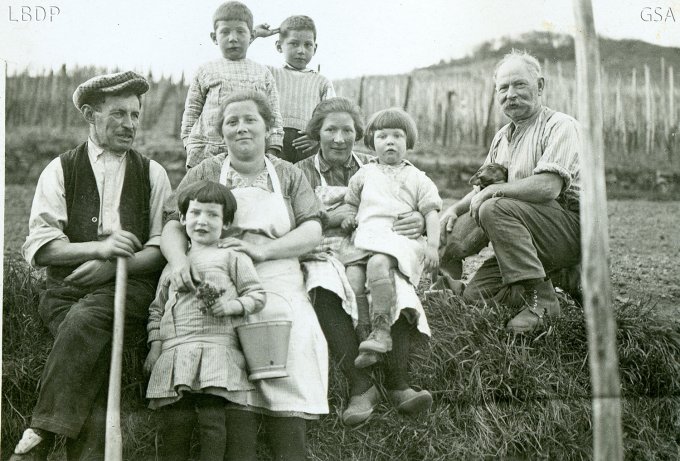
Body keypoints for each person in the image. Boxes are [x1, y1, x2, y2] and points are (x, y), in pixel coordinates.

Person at [10, 71, 172, 461]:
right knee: (92, 356)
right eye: (118, 114)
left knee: (87, 322)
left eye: (135, 115)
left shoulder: (152, 172)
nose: (130, 124)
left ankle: (40, 433)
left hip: (129, 290)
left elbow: (160, 248)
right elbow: (43, 249)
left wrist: (117, 267)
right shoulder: (60, 168)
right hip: (64, 290)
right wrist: (98, 252)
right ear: (89, 114)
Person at [162, 90, 327, 461]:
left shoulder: (288, 174)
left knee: (291, 333)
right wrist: (178, 263)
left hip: (277, 273)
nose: (241, 128)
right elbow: (172, 224)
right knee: (226, 344)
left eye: (250, 120)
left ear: (269, 129)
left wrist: (265, 249)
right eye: (231, 122)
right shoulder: (204, 171)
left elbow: (313, 228)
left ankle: (291, 449)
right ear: (221, 132)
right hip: (216, 275)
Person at [296, 98, 432, 426]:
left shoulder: (378, 164)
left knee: (395, 284)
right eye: (331, 130)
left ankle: (399, 385)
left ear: (360, 134)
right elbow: (291, 220)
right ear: (318, 133)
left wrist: (419, 218)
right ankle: (362, 387)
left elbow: (416, 196)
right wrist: (328, 217)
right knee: (325, 288)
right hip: (324, 248)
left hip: (373, 245)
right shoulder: (300, 171)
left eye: (348, 130)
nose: (339, 138)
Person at [439, 50, 582, 334]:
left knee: (493, 206)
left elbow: (548, 187)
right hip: (527, 239)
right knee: (474, 296)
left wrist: (495, 192)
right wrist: (453, 210)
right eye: (503, 88)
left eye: (519, 85)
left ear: (539, 86)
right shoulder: (503, 136)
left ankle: (543, 303)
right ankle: (556, 276)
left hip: (568, 229)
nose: (511, 94)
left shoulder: (560, 126)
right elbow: (482, 187)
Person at [144, 180, 266, 461]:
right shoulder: (173, 264)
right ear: (183, 218)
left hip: (216, 350)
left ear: (226, 223)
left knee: (213, 419)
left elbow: (257, 295)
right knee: (174, 422)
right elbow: (157, 310)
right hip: (175, 354)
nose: (202, 221)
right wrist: (155, 346)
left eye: (213, 215)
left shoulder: (232, 257)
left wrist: (232, 305)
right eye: (196, 213)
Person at [342, 108, 442, 370]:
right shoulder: (363, 174)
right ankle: (365, 335)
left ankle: (382, 328)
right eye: (382, 136)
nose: (389, 141)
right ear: (371, 142)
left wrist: (432, 245)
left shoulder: (418, 178)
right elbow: (351, 204)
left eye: (397, 136)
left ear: (408, 141)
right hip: (366, 236)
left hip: (397, 238)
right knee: (353, 276)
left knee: (377, 265)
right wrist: (349, 218)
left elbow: (431, 212)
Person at [181, 1, 284, 169]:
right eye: (225, 32)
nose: (233, 38)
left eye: (240, 32)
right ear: (214, 37)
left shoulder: (262, 72)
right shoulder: (205, 70)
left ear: (251, 36)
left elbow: (273, 114)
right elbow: (192, 111)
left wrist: (272, 149)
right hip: (208, 152)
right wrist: (190, 144)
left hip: (251, 153)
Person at [256, 15, 336, 163]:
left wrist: (317, 138)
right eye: (294, 44)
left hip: (307, 145)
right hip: (273, 143)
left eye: (307, 45)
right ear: (279, 46)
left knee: (306, 182)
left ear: (315, 48)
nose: (301, 50)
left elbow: (332, 117)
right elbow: (239, 62)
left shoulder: (322, 82)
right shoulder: (269, 74)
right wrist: (254, 34)